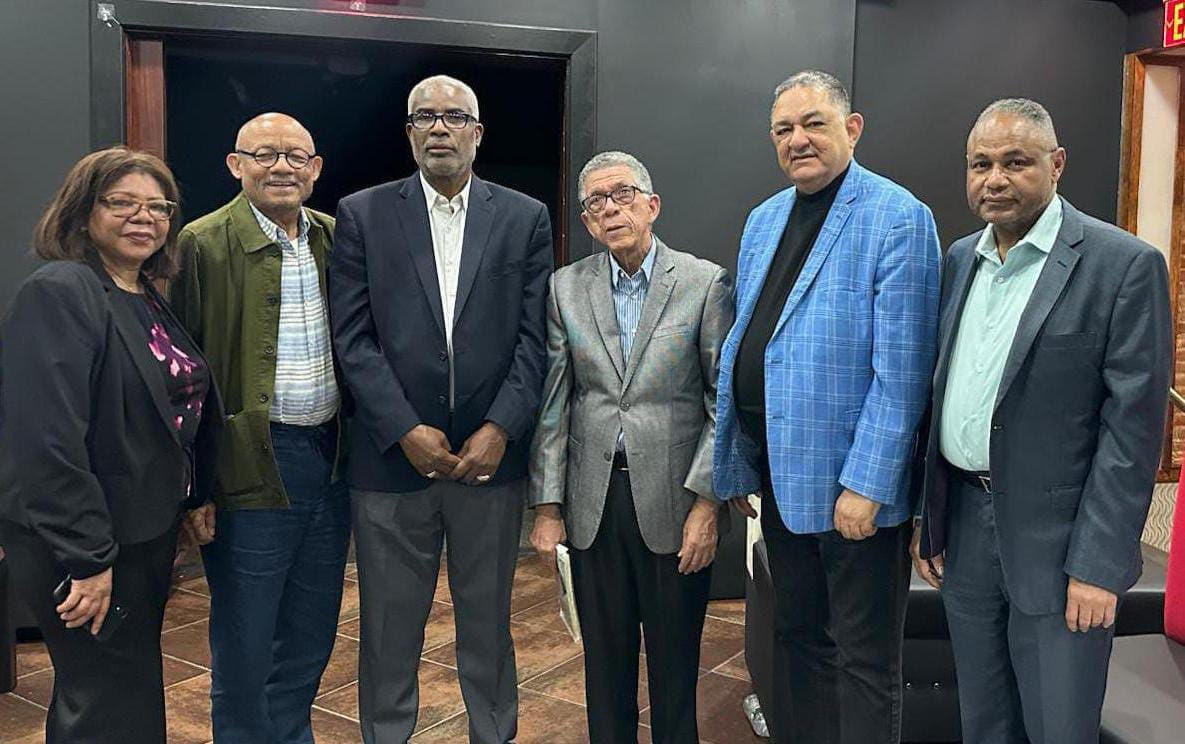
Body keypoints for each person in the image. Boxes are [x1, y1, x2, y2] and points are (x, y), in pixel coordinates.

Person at [912, 98, 1172, 744]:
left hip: (1061, 550)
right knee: (983, 721)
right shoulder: (960, 259)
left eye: (1015, 162)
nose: (994, 179)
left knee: (1058, 726)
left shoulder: (1122, 266)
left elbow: (1133, 433)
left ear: (1056, 164)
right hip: (965, 530)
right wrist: (931, 520)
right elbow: (943, 397)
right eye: (980, 164)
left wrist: (1098, 565)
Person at [713, 70, 941, 744]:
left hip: (852, 492)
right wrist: (739, 458)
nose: (798, 139)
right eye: (783, 129)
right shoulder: (763, 220)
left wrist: (867, 485)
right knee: (799, 640)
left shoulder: (898, 217)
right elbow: (752, 342)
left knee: (864, 660)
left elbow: (903, 372)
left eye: (813, 123)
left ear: (852, 128)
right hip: (781, 478)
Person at [329, 74, 552, 744]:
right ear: (408, 133)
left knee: (488, 623)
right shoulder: (363, 214)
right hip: (391, 464)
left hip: (489, 464)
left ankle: (493, 734)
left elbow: (536, 339)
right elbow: (353, 338)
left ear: (477, 133)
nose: (438, 128)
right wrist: (403, 428)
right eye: (424, 117)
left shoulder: (524, 217)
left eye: (454, 117)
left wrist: (500, 427)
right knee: (388, 629)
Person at [0, 147, 220, 743]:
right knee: (101, 698)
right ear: (82, 211)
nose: (143, 217)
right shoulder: (61, 290)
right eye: (121, 203)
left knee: (123, 687)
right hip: (83, 540)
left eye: (158, 207)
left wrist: (189, 496)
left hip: (138, 530)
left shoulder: (140, 291)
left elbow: (166, 415)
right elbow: (45, 441)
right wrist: (88, 558)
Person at [528, 151, 738, 743]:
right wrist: (547, 508)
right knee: (604, 667)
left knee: (675, 669)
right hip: (592, 504)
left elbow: (722, 400)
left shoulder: (703, 283)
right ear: (587, 221)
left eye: (622, 194)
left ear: (652, 204)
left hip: (676, 501)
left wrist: (706, 504)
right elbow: (555, 404)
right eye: (596, 201)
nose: (610, 208)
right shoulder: (566, 288)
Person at [171, 112, 350, 743]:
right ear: (235, 164)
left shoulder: (335, 237)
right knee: (246, 638)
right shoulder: (199, 243)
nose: (281, 167)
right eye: (265, 154)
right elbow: (180, 375)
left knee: (311, 630)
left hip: (330, 460)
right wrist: (195, 488)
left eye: (296, 156)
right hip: (247, 463)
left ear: (315, 168)